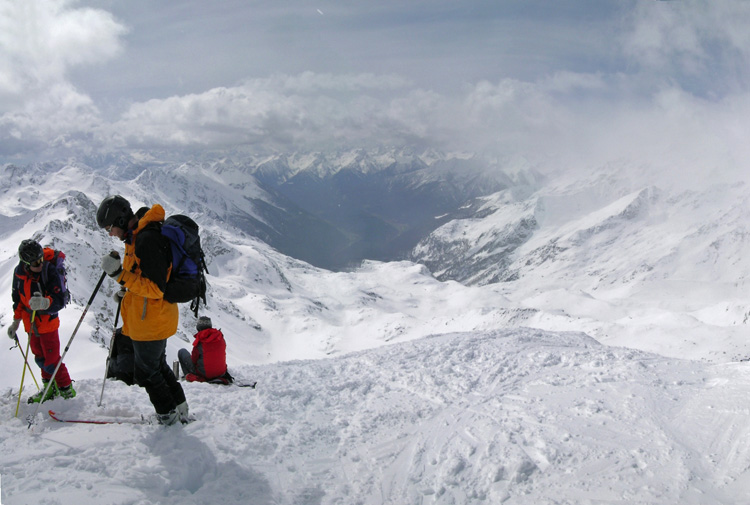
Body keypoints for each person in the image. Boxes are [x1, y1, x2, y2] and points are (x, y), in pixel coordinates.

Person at [96, 195, 189, 425]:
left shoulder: (146, 239)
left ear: (120, 219)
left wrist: (119, 275)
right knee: (157, 367)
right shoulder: (135, 237)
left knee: (147, 374)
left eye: (110, 227)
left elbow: (156, 289)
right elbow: (141, 278)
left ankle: (167, 416)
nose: (110, 233)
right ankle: (180, 409)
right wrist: (126, 292)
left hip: (151, 322)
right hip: (150, 319)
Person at [7, 239, 76, 403]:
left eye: (40, 259)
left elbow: (60, 299)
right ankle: (49, 388)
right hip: (30, 324)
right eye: (35, 262)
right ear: (25, 263)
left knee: (52, 360)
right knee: (39, 357)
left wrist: (45, 303)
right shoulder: (19, 274)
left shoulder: (49, 270)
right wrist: (16, 322)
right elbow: (18, 300)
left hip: (47, 324)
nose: (40, 264)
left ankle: (67, 391)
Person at [178, 316, 233, 384]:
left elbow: (194, 360)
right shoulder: (220, 337)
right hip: (221, 373)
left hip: (205, 375)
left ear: (198, 327)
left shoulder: (200, 340)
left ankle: (188, 376)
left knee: (182, 352)